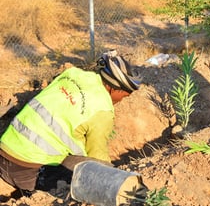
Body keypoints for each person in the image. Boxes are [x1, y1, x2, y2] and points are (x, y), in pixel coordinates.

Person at [0, 50, 147, 202]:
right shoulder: (103, 109)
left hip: (3, 155)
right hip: (28, 174)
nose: (122, 100)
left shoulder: (73, 74)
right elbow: (97, 158)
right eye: (125, 95)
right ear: (115, 88)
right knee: (97, 179)